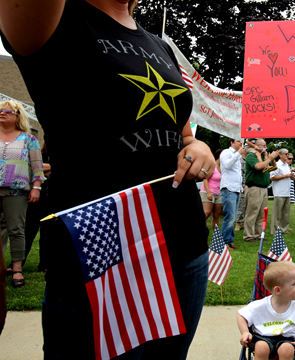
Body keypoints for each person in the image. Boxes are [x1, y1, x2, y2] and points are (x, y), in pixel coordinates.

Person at [0, 1, 215, 358]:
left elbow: (182, 134)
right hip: (100, 256)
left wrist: (198, 146)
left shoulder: (157, 44)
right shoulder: (55, 20)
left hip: (183, 245)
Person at [0, 100, 44, 288]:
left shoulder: (28, 140)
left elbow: (37, 167)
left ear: (18, 116)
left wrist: (36, 187)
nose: (2, 113)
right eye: (0, 111)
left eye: (7, 111)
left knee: (16, 229)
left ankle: (17, 269)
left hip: (17, 190)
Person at [237, 261, 295, 360]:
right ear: (277, 290)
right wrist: (245, 332)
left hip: (287, 340)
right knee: (261, 347)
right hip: (262, 337)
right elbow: (241, 315)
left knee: (287, 349)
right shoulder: (260, 305)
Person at [244, 139, 279, 242]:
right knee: (252, 212)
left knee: (261, 213)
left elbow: (273, 168)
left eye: (265, 145)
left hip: (264, 188)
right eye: (262, 145)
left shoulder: (263, 157)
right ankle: (248, 235)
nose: (265, 147)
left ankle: (258, 235)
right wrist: (269, 158)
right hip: (254, 188)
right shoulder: (251, 156)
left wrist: (271, 159)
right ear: (257, 146)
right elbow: (258, 167)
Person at [220, 139, 245, 250]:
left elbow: (237, 174)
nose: (240, 143)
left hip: (236, 189)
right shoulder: (226, 152)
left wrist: (240, 187)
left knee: (233, 217)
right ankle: (224, 242)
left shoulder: (237, 156)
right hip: (228, 188)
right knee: (229, 217)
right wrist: (239, 154)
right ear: (231, 142)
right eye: (238, 141)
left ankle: (229, 241)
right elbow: (227, 166)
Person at [270, 148, 295, 234]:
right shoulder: (276, 165)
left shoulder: (286, 166)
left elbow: (288, 176)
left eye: (288, 154)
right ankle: (274, 230)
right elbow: (272, 177)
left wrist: (291, 176)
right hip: (279, 192)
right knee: (277, 213)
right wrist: (286, 176)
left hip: (287, 192)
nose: (287, 156)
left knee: (286, 214)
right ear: (280, 155)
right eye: (286, 154)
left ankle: (284, 229)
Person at [200, 149, 223, 231]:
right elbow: (205, 179)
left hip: (219, 193)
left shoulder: (224, 167)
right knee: (206, 213)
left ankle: (215, 235)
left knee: (216, 215)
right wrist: (208, 193)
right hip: (208, 192)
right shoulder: (212, 165)